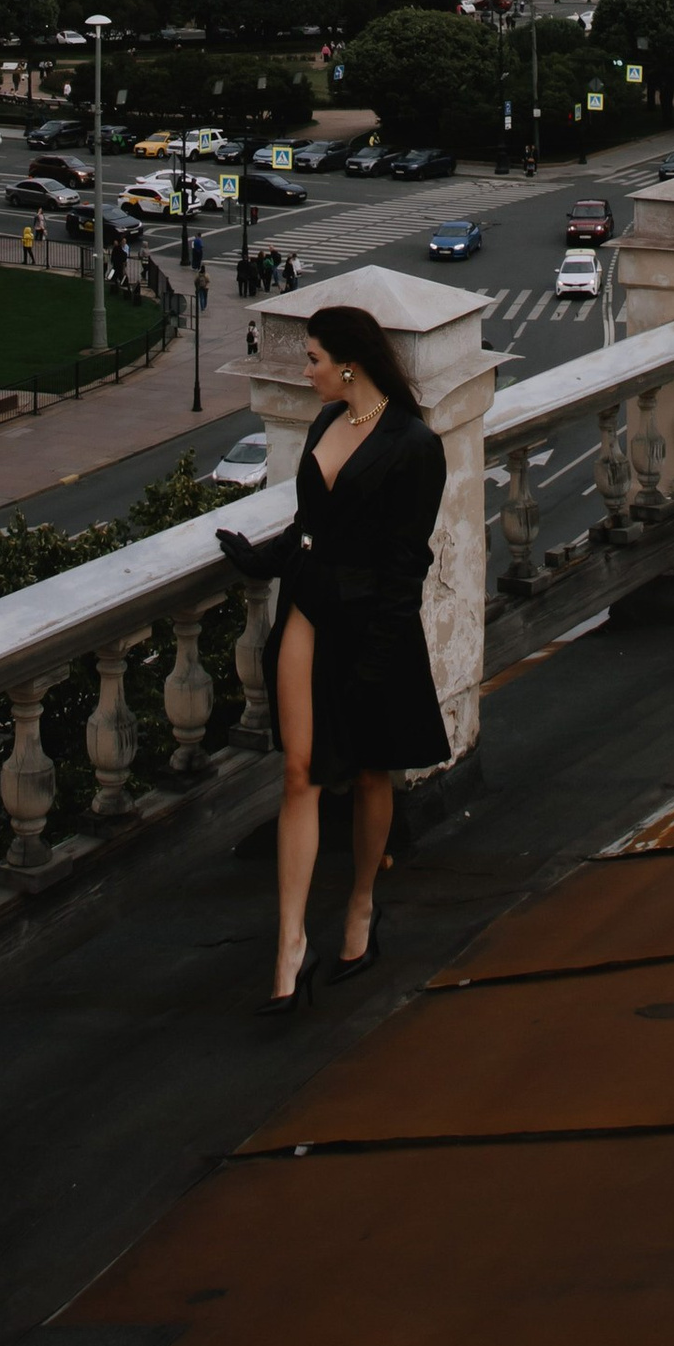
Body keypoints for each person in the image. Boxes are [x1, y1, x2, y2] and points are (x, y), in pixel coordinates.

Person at [217, 303, 447, 1013]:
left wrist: (377, 662)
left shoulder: (415, 444)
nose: (306, 370)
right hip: (310, 605)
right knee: (299, 772)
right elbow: (311, 526)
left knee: (373, 773)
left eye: (313, 358)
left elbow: (407, 565)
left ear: (349, 363)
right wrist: (263, 560)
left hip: (373, 624)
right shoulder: (325, 423)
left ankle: (361, 906)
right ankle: (290, 948)